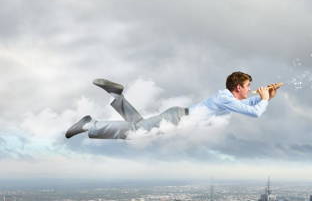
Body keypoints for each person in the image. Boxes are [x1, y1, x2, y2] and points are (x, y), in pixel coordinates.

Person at [65, 71, 283, 139]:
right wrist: (263, 98)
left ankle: (116, 96)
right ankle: (90, 124)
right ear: (237, 88)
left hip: (178, 118)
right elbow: (254, 113)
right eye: (248, 87)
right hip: (178, 120)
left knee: (138, 127)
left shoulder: (228, 98)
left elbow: (251, 103)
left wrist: (268, 96)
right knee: (135, 132)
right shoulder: (225, 98)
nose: (250, 90)